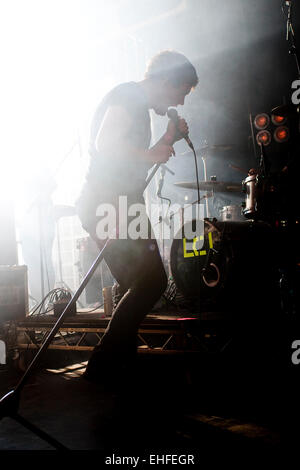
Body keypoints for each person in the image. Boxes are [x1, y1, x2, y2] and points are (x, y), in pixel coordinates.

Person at [76, 50, 198, 384]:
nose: (181, 101)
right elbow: (105, 146)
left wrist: (167, 139)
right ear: (167, 80)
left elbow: (132, 160)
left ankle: (119, 366)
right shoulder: (128, 95)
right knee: (152, 281)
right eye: (181, 91)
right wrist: (150, 152)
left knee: (137, 284)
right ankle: (103, 364)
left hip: (114, 202)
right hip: (109, 204)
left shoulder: (137, 104)